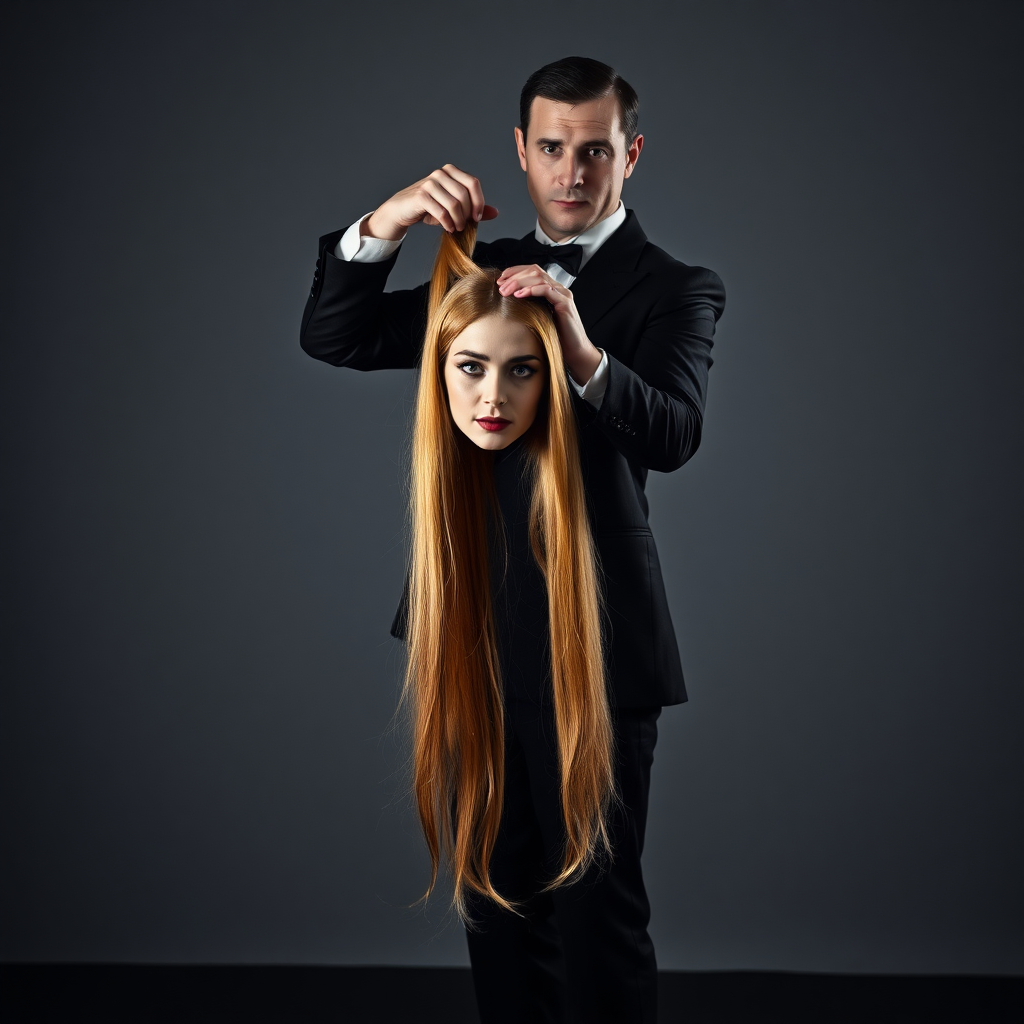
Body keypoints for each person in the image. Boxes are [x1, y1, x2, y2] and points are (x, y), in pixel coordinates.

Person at [300, 56, 726, 1024]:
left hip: (598, 645)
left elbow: (674, 431)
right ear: (521, 154)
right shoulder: (476, 278)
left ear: (631, 155)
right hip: (473, 630)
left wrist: (576, 347)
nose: (571, 172)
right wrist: (389, 222)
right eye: (550, 149)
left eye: (594, 151)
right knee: (494, 905)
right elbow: (335, 334)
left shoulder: (677, 287)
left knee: (596, 909)